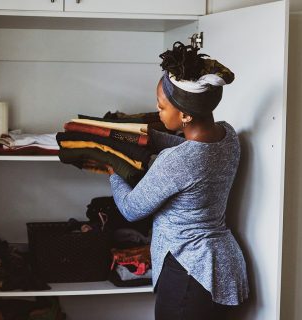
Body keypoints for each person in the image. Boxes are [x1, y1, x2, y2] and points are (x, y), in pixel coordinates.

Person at [108, 41, 249, 319]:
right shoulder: (227, 135)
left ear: (184, 114)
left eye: (161, 106)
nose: (157, 110)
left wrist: (113, 168)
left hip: (189, 272)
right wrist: (141, 135)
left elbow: (130, 208)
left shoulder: (177, 161)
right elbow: (183, 147)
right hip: (223, 266)